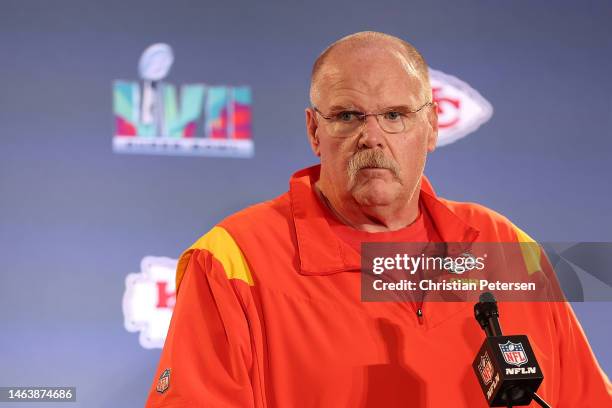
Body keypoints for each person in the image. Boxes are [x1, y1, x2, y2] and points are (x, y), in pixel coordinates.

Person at [145, 32, 611, 407]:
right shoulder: (233, 261)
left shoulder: (504, 246)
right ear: (314, 131)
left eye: (395, 115)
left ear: (430, 128)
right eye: (347, 115)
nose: (372, 136)